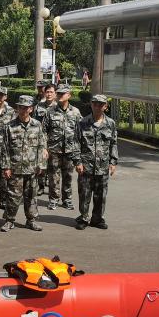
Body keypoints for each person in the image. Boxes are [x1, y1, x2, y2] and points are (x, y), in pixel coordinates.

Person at [0, 95, 47, 233]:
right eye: (21, 107)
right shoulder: (9, 126)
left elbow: (42, 146)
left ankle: (31, 220)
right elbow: (5, 148)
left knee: (31, 196)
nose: (23, 110)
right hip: (16, 168)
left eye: (26, 108)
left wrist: (42, 165)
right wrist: (6, 167)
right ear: (17, 108)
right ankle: (9, 220)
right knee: (13, 197)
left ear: (31, 109)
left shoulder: (37, 125)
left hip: (32, 168)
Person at [72, 94, 118, 230]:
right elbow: (76, 143)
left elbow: (113, 143)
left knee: (101, 195)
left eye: (100, 104)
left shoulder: (110, 123)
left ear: (105, 106)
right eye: (95, 104)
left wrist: (113, 162)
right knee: (84, 194)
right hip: (86, 166)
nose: (97, 107)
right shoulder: (82, 122)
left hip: (102, 166)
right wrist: (77, 162)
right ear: (91, 105)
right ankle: (84, 218)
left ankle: (97, 219)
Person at [43, 84, 81, 211]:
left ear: (69, 95)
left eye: (62, 93)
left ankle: (67, 200)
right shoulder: (50, 111)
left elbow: (79, 132)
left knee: (68, 176)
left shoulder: (75, 112)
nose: (59, 95)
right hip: (54, 150)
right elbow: (44, 131)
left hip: (70, 150)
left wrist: (79, 150)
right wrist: (44, 148)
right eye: (58, 93)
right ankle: (53, 199)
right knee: (53, 176)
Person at [33, 83, 56, 196]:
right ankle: (41, 186)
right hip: (41, 139)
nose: (49, 94)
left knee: (53, 167)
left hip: (54, 141)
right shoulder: (38, 106)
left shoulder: (58, 107)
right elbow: (33, 122)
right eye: (47, 92)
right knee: (41, 164)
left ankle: (53, 189)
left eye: (51, 92)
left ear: (55, 94)